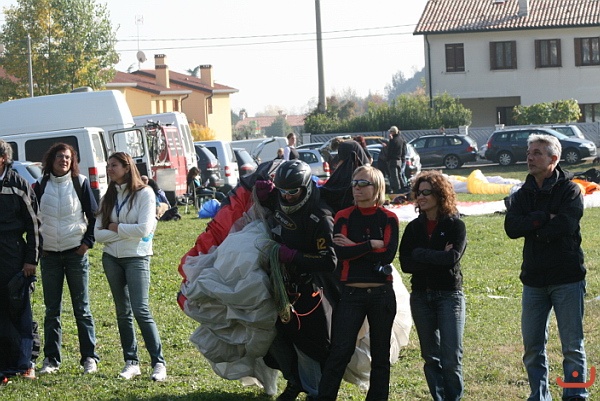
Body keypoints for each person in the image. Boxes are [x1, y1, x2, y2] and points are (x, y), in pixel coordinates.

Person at [504, 134, 588, 401]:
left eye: (537, 153)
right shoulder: (523, 193)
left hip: (567, 278)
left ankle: (575, 396)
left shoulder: (570, 190)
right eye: (529, 153)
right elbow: (511, 228)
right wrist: (542, 217)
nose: (530, 157)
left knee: (572, 347)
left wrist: (532, 225)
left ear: (554, 158)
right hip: (534, 281)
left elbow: (566, 224)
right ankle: (539, 397)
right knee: (532, 348)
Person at [316, 165, 399, 401]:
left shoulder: (389, 218)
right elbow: (340, 253)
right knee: (340, 351)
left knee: (380, 356)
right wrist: (370, 244)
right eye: (354, 183)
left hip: (382, 294)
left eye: (363, 183)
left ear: (377, 187)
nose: (357, 188)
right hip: (352, 295)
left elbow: (387, 255)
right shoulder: (343, 216)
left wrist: (354, 246)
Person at [260, 160, 337, 401]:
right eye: (282, 190)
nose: (287, 196)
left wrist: (294, 256)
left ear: (305, 188)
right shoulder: (279, 200)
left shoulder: (320, 217)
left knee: (309, 344)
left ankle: (315, 392)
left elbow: (329, 260)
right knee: (273, 336)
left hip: (310, 290)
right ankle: (295, 380)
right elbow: (269, 199)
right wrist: (262, 192)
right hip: (280, 284)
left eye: (293, 191)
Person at [94, 152, 167, 381]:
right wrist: (126, 231)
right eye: (108, 165)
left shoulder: (145, 194)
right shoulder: (107, 197)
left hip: (137, 257)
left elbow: (144, 229)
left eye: (113, 165)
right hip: (111, 258)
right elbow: (97, 234)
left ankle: (158, 363)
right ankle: (131, 362)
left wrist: (115, 227)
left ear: (127, 168)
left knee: (140, 309)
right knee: (122, 312)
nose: (109, 169)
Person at [399, 170, 466, 401]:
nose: (421, 197)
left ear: (440, 194)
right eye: (418, 192)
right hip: (420, 297)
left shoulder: (456, 226)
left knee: (451, 357)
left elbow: (452, 259)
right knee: (430, 357)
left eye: (427, 192)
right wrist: (437, 255)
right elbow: (406, 264)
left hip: (449, 296)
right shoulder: (413, 228)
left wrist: (421, 254)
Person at [34, 143, 99, 375]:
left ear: (73, 162)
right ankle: (51, 360)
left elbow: (94, 216)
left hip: (75, 254)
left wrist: (86, 243)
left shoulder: (80, 183)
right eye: (60, 157)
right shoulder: (39, 185)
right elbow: (31, 220)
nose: (64, 160)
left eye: (68, 158)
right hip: (50, 256)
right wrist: (39, 246)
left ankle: (89, 357)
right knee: (52, 310)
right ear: (51, 159)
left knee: (82, 309)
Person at [0, 139, 41, 380]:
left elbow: (34, 225)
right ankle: (5, 365)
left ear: (3, 159)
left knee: (19, 311)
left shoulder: (18, 184)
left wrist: (31, 260)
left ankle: (26, 362)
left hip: (14, 255)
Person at [386, 126, 407, 193]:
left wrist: (387, 159)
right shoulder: (401, 139)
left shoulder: (393, 140)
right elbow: (403, 151)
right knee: (399, 175)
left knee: (394, 177)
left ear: (393, 132)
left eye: (390, 131)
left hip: (393, 160)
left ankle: (397, 190)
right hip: (399, 160)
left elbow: (390, 150)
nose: (390, 133)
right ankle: (403, 188)